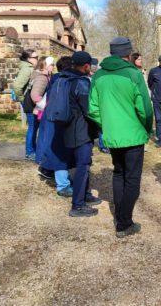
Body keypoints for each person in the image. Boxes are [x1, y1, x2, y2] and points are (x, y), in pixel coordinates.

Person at [89, 37, 153, 238]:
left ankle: (120, 215)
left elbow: (93, 109)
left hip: (113, 135)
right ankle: (124, 223)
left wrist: (107, 125)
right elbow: (144, 108)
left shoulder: (98, 76)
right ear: (128, 54)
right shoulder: (134, 74)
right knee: (132, 179)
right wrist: (147, 128)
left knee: (119, 173)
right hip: (133, 135)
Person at [63, 51, 101, 217]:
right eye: (89, 65)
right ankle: (77, 205)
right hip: (81, 131)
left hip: (69, 128)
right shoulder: (81, 83)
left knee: (84, 164)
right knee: (83, 167)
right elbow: (89, 110)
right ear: (86, 66)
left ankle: (85, 194)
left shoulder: (64, 77)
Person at [36, 56, 76, 196]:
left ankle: (52, 172)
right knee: (60, 152)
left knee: (56, 150)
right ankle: (63, 185)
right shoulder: (66, 81)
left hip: (52, 118)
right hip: (60, 120)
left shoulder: (55, 80)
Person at [12, 49, 38, 161]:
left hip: (29, 101)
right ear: (29, 59)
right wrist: (22, 99)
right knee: (32, 127)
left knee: (34, 127)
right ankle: (29, 152)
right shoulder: (27, 69)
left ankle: (32, 150)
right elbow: (17, 86)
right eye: (35, 57)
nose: (37, 59)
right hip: (28, 102)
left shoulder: (27, 67)